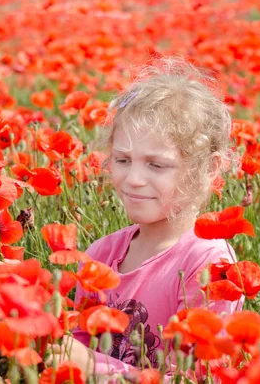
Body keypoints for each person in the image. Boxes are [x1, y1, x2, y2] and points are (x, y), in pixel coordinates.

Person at [47, 57, 244, 381]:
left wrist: (94, 368)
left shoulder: (209, 265)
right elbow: (78, 347)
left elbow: (194, 377)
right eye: (123, 159)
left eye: (156, 165)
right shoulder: (101, 255)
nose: (133, 178)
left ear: (208, 169)